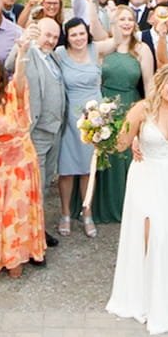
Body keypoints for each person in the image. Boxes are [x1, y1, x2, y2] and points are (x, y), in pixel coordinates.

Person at [103, 63, 168, 334]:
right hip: (148, 176)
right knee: (151, 231)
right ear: (159, 84)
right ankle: (146, 293)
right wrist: (98, 133)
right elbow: (121, 143)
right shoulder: (142, 109)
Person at [0, 43, 46, 277]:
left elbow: (21, 75)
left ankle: (16, 256)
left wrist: (22, 53)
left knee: (15, 210)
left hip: (19, 163)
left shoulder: (12, 91)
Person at [91, 9, 148, 225]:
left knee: (125, 156)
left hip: (130, 106)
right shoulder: (105, 47)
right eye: (121, 19)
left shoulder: (141, 49)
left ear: (135, 23)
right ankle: (100, 204)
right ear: (114, 22)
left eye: (130, 19)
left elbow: (150, 84)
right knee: (105, 154)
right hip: (105, 106)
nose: (126, 23)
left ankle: (127, 205)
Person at [53, 15, 104, 238]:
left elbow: (120, 38)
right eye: (73, 34)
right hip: (69, 116)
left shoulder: (95, 49)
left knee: (87, 169)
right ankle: (65, 214)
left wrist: (93, 1)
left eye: (82, 33)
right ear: (67, 36)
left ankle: (87, 213)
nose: (78, 38)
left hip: (93, 117)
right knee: (67, 170)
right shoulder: (60, 54)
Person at [20, 19, 67, 259]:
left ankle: (39, 230)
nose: (51, 40)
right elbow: (11, 63)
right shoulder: (30, 51)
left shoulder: (54, 57)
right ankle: (31, 244)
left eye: (55, 37)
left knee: (46, 183)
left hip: (55, 131)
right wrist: (25, 42)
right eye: (47, 35)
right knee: (34, 188)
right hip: (37, 131)